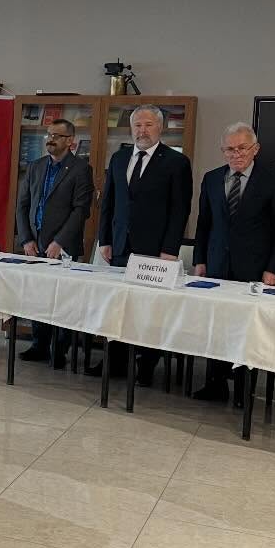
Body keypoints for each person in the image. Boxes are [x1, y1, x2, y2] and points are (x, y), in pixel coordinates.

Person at [92, 105, 193, 384]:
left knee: (150, 310)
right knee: (119, 305)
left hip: (156, 250)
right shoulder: (119, 158)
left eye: (148, 125)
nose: (142, 131)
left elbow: (180, 210)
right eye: (137, 125)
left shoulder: (176, 162)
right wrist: (105, 239)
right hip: (120, 247)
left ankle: (147, 365)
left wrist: (170, 249)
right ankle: (116, 362)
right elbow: (109, 202)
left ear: (160, 127)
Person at [191, 122, 275, 403]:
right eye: (230, 149)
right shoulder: (212, 178)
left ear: (255, 149)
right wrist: (200, 260)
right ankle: (215, 383)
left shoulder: (273, 181)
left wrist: (274, 268)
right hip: (217, 265)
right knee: (217, 324)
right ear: (223, 151)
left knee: (246, 329)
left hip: (255, 268)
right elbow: (204, 223)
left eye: (242, 148)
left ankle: (244, 390)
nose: (236, 154)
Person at [14, 117, 94, 367]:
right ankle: (39, 345)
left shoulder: (81, 169)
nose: (50, 139)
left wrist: (59, 242)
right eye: (48, 135)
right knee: (38, 297)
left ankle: (60, 349)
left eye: (56, 136)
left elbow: (81, 210)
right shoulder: (36, 166)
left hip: (63, 247)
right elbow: (22, 205)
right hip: (35, 244)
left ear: (70, 141)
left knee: (63, 300)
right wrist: (26, 239)